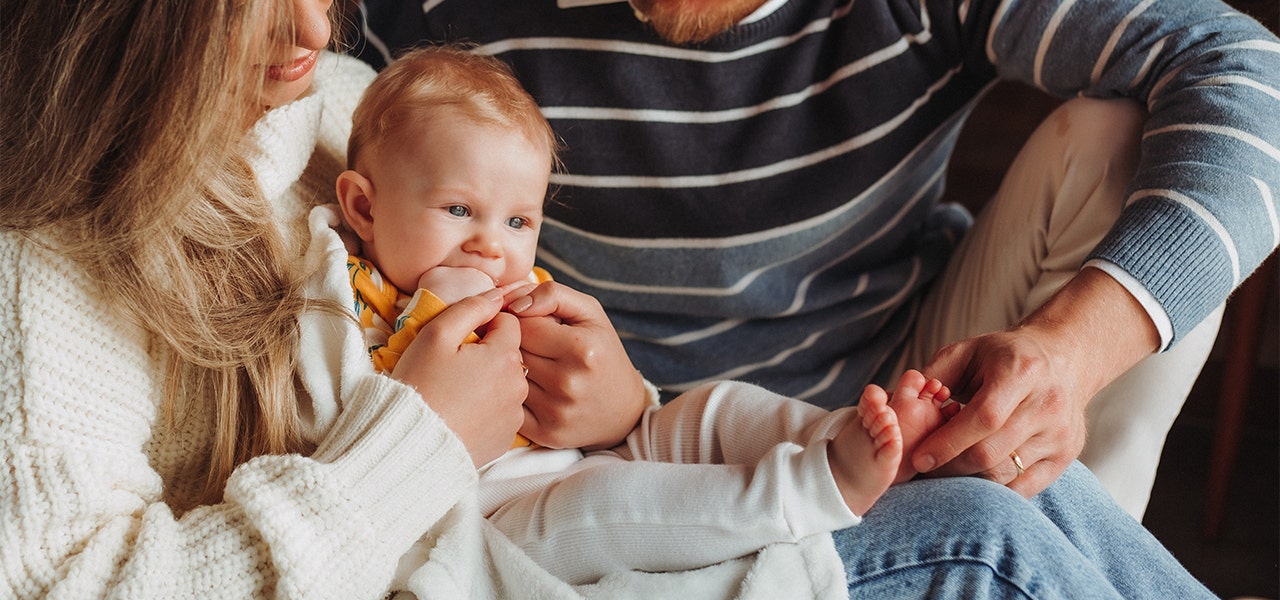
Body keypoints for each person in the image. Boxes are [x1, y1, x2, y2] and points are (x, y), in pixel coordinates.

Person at [0, 1, 1219, 598]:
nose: (313, 25)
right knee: (986, 537)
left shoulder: (313, 100)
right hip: (529, 510)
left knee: (1017, 493)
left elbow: (1232, 62)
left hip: (707, 417)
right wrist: (428, 434)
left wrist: (1072, 346)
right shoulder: (59, 268)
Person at [351, 0, 1280, 518]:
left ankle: (1067, 538)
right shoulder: (430, 13)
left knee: (1117, 143)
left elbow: (1248, 74)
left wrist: (1069, 355)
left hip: (896, 377)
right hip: (606, 433)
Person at [334, 45, 963, 585]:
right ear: (364, 208)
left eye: (518, 220)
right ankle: (815, 487)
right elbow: (360, 419)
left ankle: (846, 435)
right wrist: (441, 300)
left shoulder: (517, 281)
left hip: (597, 445)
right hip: (503, 514)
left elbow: (593, 385)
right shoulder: (346, 296)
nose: (492, 245)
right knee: (611, 503)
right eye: (458, 210)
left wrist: (616, 394)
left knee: (712, 411)